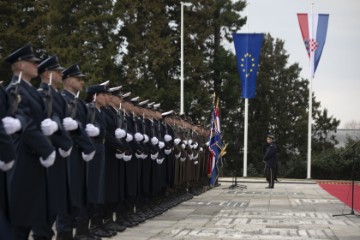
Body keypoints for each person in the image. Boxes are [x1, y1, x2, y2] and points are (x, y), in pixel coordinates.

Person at [4, 43, 57, 240]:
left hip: (34, 159)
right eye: (32, 62)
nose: (36, 65)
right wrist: (47, 150)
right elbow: (23, 122)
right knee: (22, 218)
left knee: (35, 214)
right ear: (19, 65)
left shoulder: (31, 91)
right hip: (24, 158)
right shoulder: (15, 89)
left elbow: (40, 119)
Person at [32, 55, 74, 240]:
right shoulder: (42, 94)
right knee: (46, 204)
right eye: (57, 72)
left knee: (58, 200)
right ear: (47, 74)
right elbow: (49, 121)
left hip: (60, 154)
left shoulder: (57, 95)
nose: (61, 74)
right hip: (48, 154)